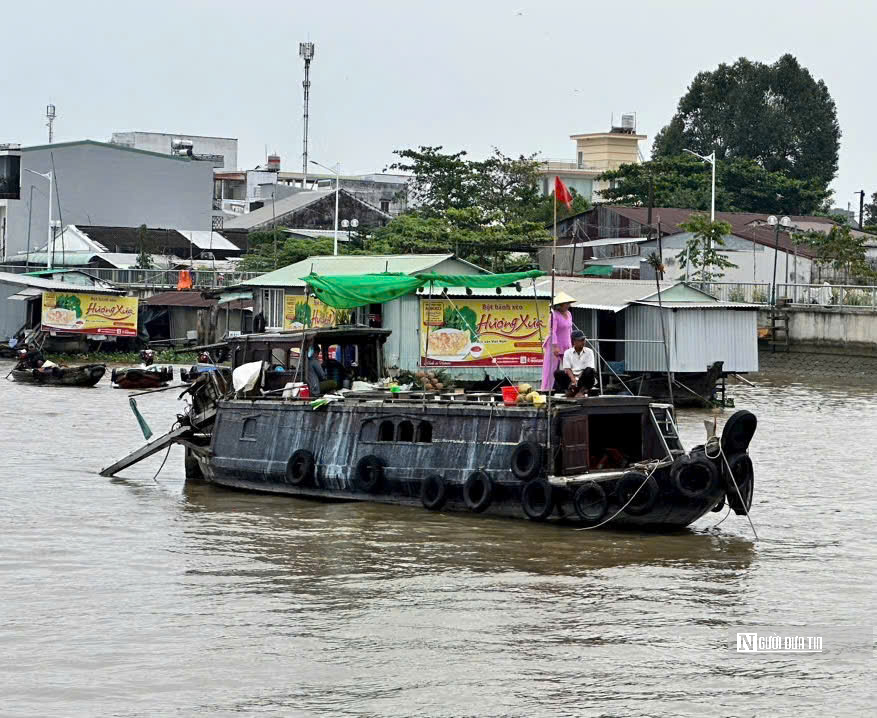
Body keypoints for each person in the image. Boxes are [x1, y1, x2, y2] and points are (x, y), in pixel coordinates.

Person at [540, 292, 576, 391]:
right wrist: (555, 346)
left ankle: (571, 388)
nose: (568, 305)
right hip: (554, 344)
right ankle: (546, 390)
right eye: (566, 303)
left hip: (566, 344)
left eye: (569, 303)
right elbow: (552, 331)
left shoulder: (569, 314)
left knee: (569, 367)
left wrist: (572, 342)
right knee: (550, 368)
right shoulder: (554, 315)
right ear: (560, 305)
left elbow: (570, 329)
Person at [554, 330, 596, 398]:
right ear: (574, 341)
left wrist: (576, 379)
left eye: (584, 339)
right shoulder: (567, 352)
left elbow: (589, 367)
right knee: (557, 373)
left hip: (583, 377)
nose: (583, 342)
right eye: (581, 340)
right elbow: (567, 368)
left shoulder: (589, 352)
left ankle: (582, 391)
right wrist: (573, 380)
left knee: (590, 371)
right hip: (572, 378)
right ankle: (570, 391)